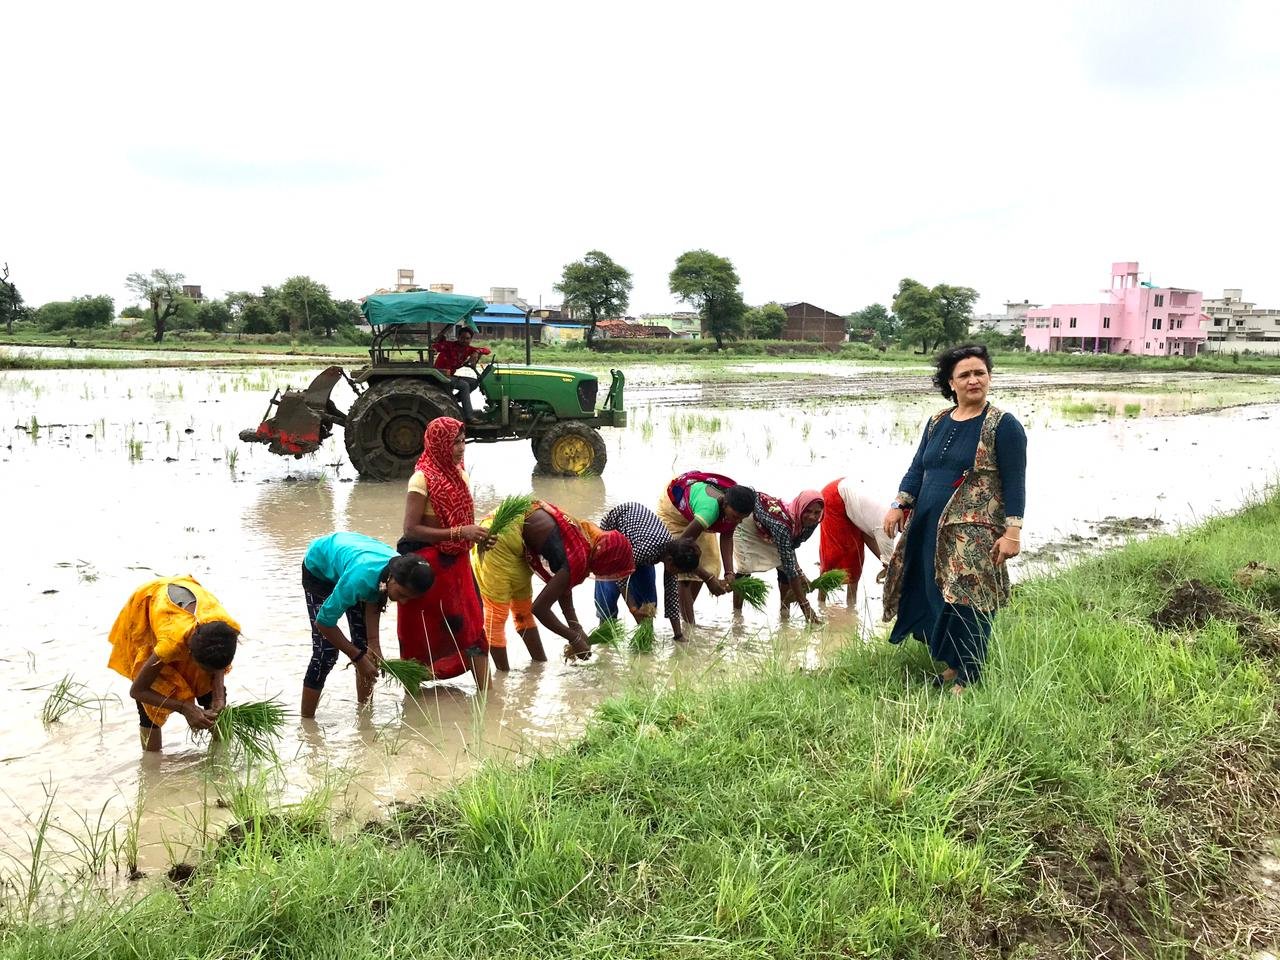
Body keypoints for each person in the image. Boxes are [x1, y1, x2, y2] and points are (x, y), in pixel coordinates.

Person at [881, 344, 1026, 694]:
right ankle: (953, 666)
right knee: (936, 594)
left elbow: (1015, 480)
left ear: (989, 377)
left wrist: (1013, 532)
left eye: (980, 373)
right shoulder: (937, 422)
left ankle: (970, 675)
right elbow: (918, 468)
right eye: (965, 374)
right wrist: (899, 503)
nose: (974, 380)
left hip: (972, 533)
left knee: (970, 600)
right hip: (928, 524)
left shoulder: (1003, 425)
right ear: (951, 382)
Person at [473, 500, 636, 668]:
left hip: (517, 534)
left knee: (522, 610)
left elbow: (563, 586)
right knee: (497, 614)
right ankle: (502, 677)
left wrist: (576, 627)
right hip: (498, 537)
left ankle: (538, 667)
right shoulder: (579, 559)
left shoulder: (586, 542)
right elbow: (539, 609)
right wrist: (574, 638)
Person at [398, 418, 492, 691]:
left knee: (472, 627)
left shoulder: (460, 474)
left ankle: (488, 698)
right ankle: (413, 700)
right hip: (427, 569)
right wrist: (460, 533)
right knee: (420, 635)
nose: (461, 448)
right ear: (438, 444)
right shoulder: (421, 478)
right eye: (454, 443)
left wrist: (479, 538)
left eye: (463, 441)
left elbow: (464, 523)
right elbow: (410, 529)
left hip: (457, 565)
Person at [301, 532, 435, 718]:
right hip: (319, 567)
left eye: (409, 598)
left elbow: (375, 596)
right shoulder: (359, 579)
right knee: (326, 653)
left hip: (353, 563)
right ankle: (307, 723)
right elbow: (323, 622)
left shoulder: (394, 572)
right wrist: (356, 657)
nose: (403, 602)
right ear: (392, 578)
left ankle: (364, 718)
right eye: (402, 595)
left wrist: (373, 643)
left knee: (367, 651)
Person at [107, 576, 240, 752]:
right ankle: (151, 761)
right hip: (148, 603)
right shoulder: (170, 644)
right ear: (189, 654)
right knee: (150, 711)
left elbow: (218, 665)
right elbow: (138, 691)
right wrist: (184, 707)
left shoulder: (228, 628)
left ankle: (222, 757)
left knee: (214, 702)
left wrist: (219, 697)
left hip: (184, 595)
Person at [593, 501, 703, 642]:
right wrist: (633, 608)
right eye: (677, 571)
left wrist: (678, 635)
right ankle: (605, 641)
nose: (676, 575)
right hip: (612, 542)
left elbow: (671, 596)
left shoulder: (672, 553)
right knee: (607, 603)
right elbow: (621, 578)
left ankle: (644, 639)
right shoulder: (648, 549)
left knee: (648, 605)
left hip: (636, 547)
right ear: (669, 561)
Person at [655, 471, 756, 623]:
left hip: (697, 515)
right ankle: (689, 627)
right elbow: (680, 550)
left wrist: (729, 572)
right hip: (675, 512)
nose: (738, 521)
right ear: (725, 505)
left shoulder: (734, 505)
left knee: (710, 564)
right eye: (736, 517)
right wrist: (708, 579)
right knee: (684, 568)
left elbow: (727, 535)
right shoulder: (709, 511)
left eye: (742, 519)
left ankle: (686, 617)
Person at [731, 490, 824, 624]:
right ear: (801, 508)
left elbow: (791, 547)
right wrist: (806, 606)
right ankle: (737, 616)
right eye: (808, 511)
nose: (812, 516)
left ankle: (784, 612)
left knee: (784, 568)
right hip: (749, 524)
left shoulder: (812, 522)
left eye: (817, 512)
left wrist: (800, 573)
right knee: (745, 567)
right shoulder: (782, 526)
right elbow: (790, 566)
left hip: (771, 529)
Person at [818, 478, 897, 608]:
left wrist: (886, 562)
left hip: (852, 498)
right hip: (834, 496)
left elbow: (867, 535)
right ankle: (821, 603)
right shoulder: (886, 526)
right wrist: (888, 564)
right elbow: (891, 565)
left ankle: (851, 605)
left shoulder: (891, 512)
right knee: (834, 553)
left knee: (856, 554)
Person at [433, 325, 491, 423]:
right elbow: (436, 347)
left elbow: (487, 350)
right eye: (462, 338)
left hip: (450, 376)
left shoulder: (468, 349)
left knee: (474, 382)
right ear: (458, 337)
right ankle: (469, 416)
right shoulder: (449, 346)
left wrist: (477, 352)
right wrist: (435, 347)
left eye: (467, 338)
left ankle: (453, 400)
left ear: (471, 339)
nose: (464, 340)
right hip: (440, 375)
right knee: (464, 385)